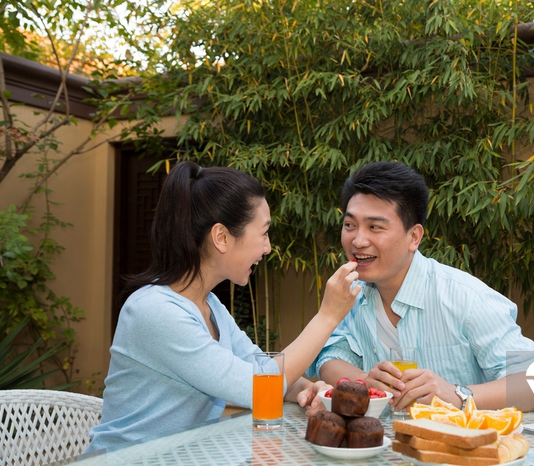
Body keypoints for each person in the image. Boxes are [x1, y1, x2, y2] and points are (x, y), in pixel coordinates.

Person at [87, 161, 361, 452]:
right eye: (264, 233)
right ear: (222, 237)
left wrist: (303, 388)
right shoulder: (155, 311)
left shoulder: (210, 305)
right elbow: (255, 389)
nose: (268, 248)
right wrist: (328, 316)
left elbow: (259, 368)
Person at [307, 161, 534, 413]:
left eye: (375, 227)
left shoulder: (467, 299)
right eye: (350, 225)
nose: (358, 240)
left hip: (461, 446)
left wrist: (459, 395)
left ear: (414, 237)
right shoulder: (351, 293)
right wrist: (365, 382)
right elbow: (329, 356)